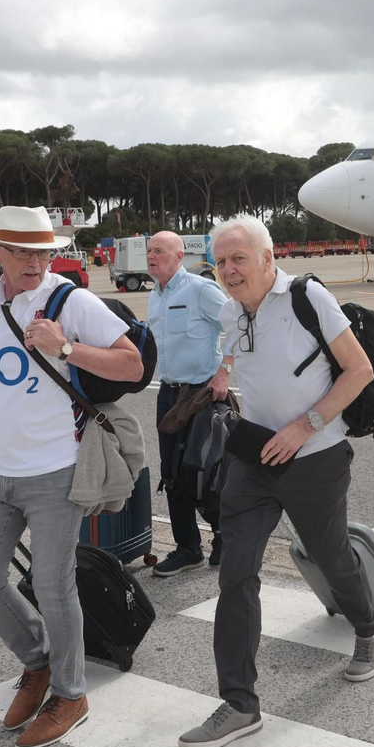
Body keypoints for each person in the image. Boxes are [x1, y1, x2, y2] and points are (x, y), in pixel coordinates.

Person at [178, 215, 374, 747]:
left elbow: (358, 370)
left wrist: (304, 426)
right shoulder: (230, 309)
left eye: (238, 258)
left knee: (330, 555)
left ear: (268, 258)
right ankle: (241, 703)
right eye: (220, 261)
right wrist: (221, 377)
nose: (227, 270)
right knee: (236, 574)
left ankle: (366, 626)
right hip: (255, 460)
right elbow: (242, 356)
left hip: (315, 455)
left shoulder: (306, 296)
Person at [0, 205, 143, 747]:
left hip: (57, 469)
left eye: (44, 251)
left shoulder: (69, 300)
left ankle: (70, 693)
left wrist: (65, 347)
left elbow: (132, 365)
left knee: (55, 587)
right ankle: (37, 663)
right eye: (23, 251)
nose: (36, 261)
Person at [145, 231, 229, 576]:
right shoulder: (154, 295)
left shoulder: (200, 290)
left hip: (200, 393)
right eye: (149, 250)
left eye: (159, 251)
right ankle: (187, 548)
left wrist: (223, 372)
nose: (151, 256)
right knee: (172, 473)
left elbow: (240, 325)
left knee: (200, 470)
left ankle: (225, 533)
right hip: (168, 393)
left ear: (179, 256)